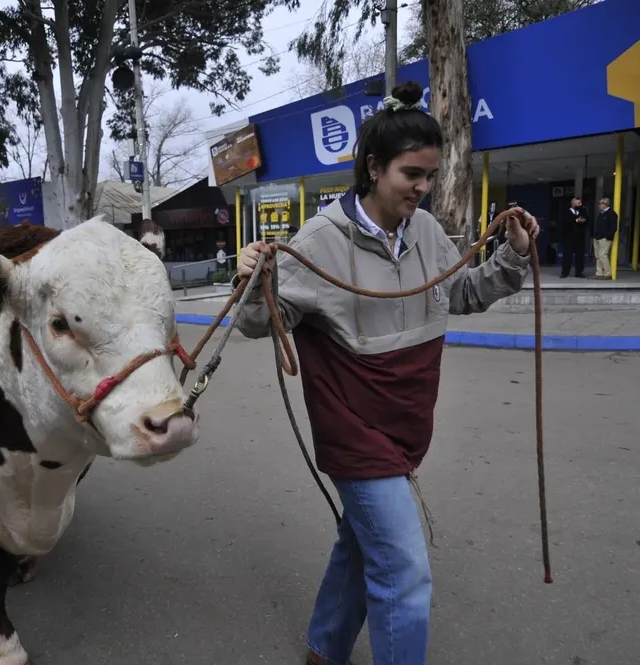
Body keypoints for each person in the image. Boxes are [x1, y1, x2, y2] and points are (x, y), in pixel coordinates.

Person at [233, 82, 539, 665]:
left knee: (359, 544)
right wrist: (253, 276)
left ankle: (323, 649)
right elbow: (255, 321)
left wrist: (514, 256)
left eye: (428, 175)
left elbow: (462, 293)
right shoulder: (318, 242)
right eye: (411, 174)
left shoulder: (424, 231)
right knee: (403, 569)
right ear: (373, 168)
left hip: (405, 425)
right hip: (354, 432)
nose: (422, 189)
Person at [560, 197, 587, 278]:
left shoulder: (583, 211)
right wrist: (576, 220)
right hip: (569, 238)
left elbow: (587, 220)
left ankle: (579, 272)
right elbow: (565, 222)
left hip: (580, 238)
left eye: (580, 203)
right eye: (579, 203)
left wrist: (583, 220)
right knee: (567, 256)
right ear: (573, 204)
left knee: (580, 256)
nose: (580, 205)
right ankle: (565, 272)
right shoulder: (566, 212)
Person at [592, 197, 618, 279]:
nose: (598, 205)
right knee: (598, 256)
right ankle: (599, 273)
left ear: (605, 204)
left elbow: (613, 227)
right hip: (597, 237)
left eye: (600, 204)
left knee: (603, 255)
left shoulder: (612, 214)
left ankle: (607, 273)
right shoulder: (601, 214)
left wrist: (607, 236)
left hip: (604, 238)